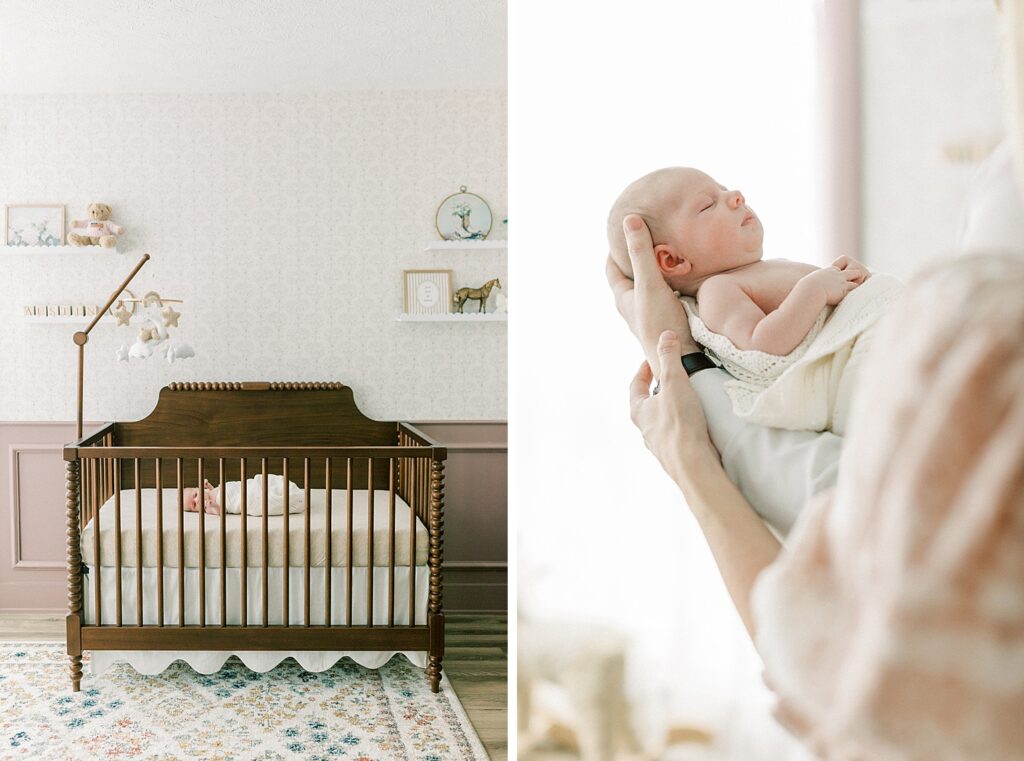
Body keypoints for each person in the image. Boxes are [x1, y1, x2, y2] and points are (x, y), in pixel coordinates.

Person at [607, 167, 902, 435]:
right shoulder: (717, 291)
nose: (735, 196)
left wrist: (849, 279)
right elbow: (763, 344)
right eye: (708, 204)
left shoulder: (759, 270)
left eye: (724, 189)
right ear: (673, 259)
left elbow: (829, 310)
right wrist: (815, 290)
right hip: (860, 368)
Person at [182, 474, 306, 516]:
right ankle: (293, 499)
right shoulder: (208, 508)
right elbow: (221, 511)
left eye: (195, 495)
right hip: (245, 499)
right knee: (263, 499)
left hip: (245, 488)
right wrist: (213, 504)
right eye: (193, 505)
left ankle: (285, 489)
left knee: (262, 483)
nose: (197, 500)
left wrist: (209, 486)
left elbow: (217, 490)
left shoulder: (209, 491)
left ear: (198, 488)